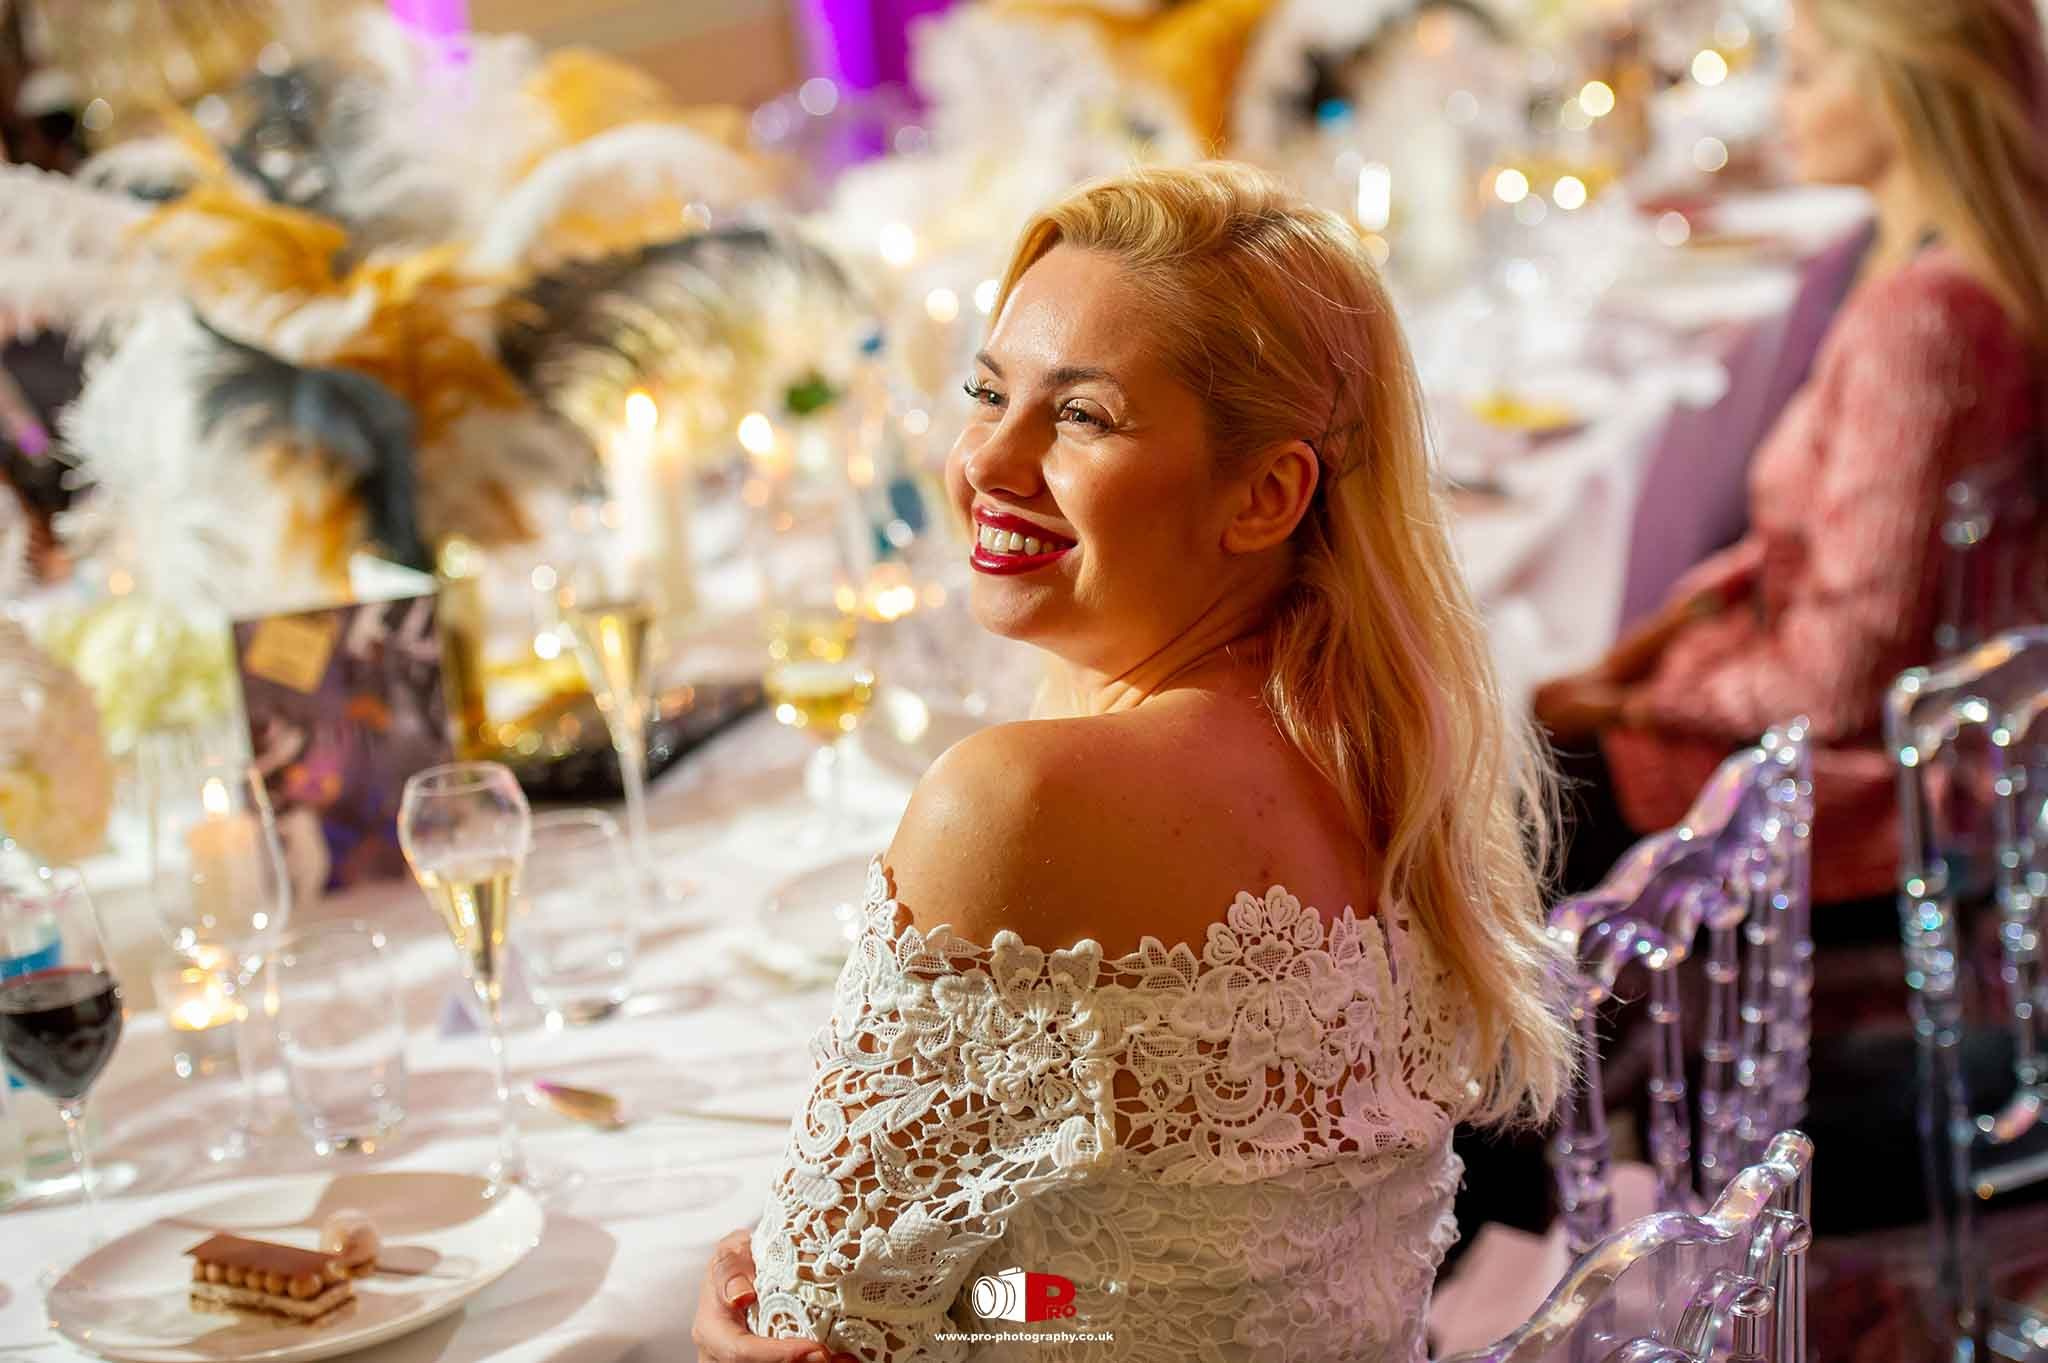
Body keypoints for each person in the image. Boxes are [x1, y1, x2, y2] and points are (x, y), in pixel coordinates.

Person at [691, 162, 1575, 1363]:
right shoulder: (1384, 756)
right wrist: (1022, 1302)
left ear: (1265, 494)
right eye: (986, 393)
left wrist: (755, 1295)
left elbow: (820, 1333)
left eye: (1079, 415)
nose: (988, 467)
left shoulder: (1017, 799)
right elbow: (1193, 1298)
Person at [1536, 0, 2048, 912]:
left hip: (1873, 790)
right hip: (1938, 732)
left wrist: (1637, 707)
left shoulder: (1922, 322)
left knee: (1519, 794)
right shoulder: (1960, 269)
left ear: (1897, 90)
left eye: (1806, 73)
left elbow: (1836, 676)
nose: (1780, 106)